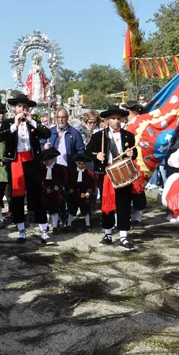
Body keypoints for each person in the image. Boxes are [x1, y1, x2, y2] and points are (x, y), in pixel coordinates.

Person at [0, 94, 51, 244]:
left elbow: (47, 133)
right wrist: (14, 124)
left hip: (32, 162)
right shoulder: (8, 123)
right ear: (15, 108)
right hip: (15, 163)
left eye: (25, 107)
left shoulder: (33, 123)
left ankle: (44, 230)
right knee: (17, 198)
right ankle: (21, 230)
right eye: (20, 106)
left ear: (28, 109)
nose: (22, 109)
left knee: (37, 196)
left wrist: (32, 121)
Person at [85, 105, 137, 249]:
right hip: (106, 172)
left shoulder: (128, 136)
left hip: (123, 172)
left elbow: (135, 153)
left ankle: (124, 236)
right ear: (107, 120)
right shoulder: (98, 136)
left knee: (124, 203)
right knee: (107, 204)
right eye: (113, 118)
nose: (116, 121)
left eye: (118, 119)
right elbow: (87, 153)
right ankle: (107, 234)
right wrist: (97, 155)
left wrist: (132, 154)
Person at [124, 100, 148, 224]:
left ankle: (138, 215)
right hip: (129, 161)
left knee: (137, 188)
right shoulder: (131, 124)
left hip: (138, 161)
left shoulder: (138, 124)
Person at [41, 148, 67, 239]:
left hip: (55, 194)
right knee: (45, 210)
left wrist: (58, 186)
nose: (45, 162)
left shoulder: (59, 168)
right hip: (45, 193)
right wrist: (44, 188)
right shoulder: (42, 168)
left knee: (54, 210)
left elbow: (63, 180)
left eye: (47, 160)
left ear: (52, 159)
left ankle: (55, 226)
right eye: (44, 160)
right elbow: (40, 180)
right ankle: (46, 225)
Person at [66, 153, 95, 231]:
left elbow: (92, 185)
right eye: (79, 163)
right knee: (71, 210)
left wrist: (89, 192)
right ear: (76, 163)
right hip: (74, 194)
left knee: (85, 209)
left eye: (83, 164)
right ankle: (69, 224)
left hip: (84, 194)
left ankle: (88, 224)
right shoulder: (71, 172)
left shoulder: (89, 173)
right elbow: (68, 182)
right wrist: (70, 189)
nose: (82, 165)